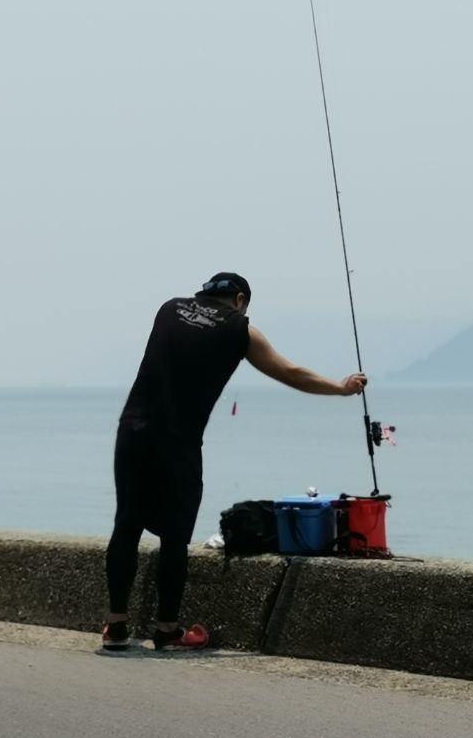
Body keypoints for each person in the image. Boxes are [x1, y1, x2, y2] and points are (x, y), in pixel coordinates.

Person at [102, 273, 367, 652]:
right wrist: (340, 388)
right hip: (178, 441)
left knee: (126, 525)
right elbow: (290, 373)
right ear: (240, 300)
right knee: (175, 537)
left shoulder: (168, 309)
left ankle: (116, 628)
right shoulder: (241, 331)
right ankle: (166, 630)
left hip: (133, 430)